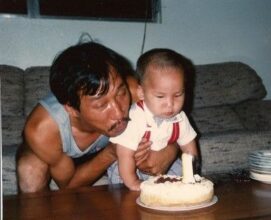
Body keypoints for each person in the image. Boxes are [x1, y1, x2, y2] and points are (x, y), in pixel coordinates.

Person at [16, 41, 179, 193]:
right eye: (101, 105)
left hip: (113, 150)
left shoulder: (135, 90)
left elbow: (178, 119)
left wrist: (171, 150)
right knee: (30, 171)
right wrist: (111, 153)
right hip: (62, 157)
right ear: (71, 109)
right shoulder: (43, 130)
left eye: (120, 93)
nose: (119, 113)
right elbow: (68, 186)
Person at [107, 48, 198, 191]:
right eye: (160, 96)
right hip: (130, 168)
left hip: (164, 165)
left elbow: (189, 148)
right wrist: (133, 183)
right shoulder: (134, 117)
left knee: (180, 176)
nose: (170, 104)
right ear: (141, 93)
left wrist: (191, 174)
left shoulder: (180, 118)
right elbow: (124, 154)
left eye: (178, 95)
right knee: (123, 189)